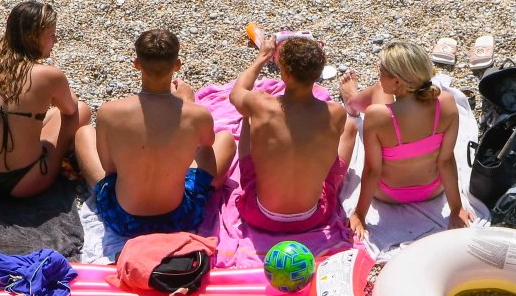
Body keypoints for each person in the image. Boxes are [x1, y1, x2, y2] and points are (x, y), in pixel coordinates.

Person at [74, 29, 235, 238]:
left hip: (124, 220)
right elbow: (206, 150)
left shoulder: (110, 111)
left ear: (136, 64)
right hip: (178, 218)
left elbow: (109, 168)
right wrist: (186, 104)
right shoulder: (197, 114)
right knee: (225, 140)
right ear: (177, 65)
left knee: (84, 133)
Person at [0, 1, 90, 198]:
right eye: (51, 35)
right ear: (34, 38)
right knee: (81, 110)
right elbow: (71, 110)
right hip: (29, 182)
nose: (55, 40)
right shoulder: (49, 75)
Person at [339, 41, 473, 239]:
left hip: (389, 194)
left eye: (382, 70)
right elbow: (445, 160)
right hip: (433, 189)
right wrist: (456, 208)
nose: (379, 74)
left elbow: (372, 170)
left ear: (397, 82)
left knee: (378, 90)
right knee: (380, 92)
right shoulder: (445, 103)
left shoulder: (377, 116)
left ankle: (351, 101)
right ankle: (351, 98)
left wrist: (360, 214)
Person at [229, 35, 351, 234]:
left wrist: (262, 57)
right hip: (312, 218)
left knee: (248, 117)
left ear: (284, 73)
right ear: (318, 73)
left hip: (259, 215)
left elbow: (237, 92)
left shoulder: (259, 104)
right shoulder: (335, 112)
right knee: (351, 128)